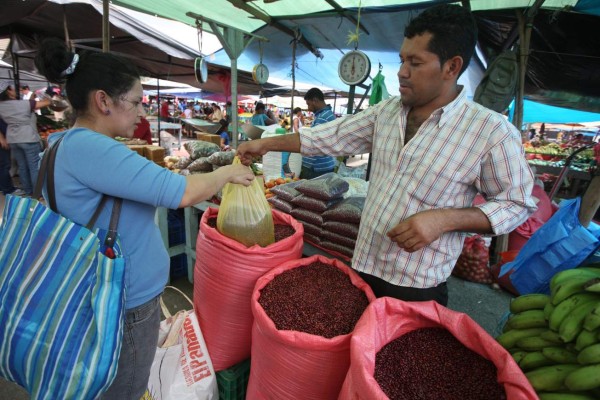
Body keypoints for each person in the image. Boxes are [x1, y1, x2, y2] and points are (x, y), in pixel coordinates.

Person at [237, 4, 536, 306]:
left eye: (415, 63)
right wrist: (264, 144)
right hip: (364, 265)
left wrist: (443, 220)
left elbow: (517, 202)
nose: (402, 72)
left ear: (452, 67)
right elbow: (329, 136)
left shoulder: (490, 131)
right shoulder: (387, 112)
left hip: (417, 286)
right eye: (402, 59)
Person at [34, 37, 254, 400]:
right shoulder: (92, 148)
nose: (140, 112)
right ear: (103, 100)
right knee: (126, 387)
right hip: (124, 300)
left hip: (95, 292)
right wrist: (226, 173)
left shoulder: (60, 144)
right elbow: (179, 192)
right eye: (135, 102)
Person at [0, 80, 53, 196]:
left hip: (13, 139)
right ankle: (38, 192)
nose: (19, 90)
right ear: (8, 91)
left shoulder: (2, 106)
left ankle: (28, 190)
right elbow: (45, 103)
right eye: (16, 88)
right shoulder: (23, 104)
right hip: (27, 137)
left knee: (22, 166)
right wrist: (47, 98)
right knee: (34, 166)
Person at [298, 87, 336, 179]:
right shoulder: (323, 115)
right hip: (319, 166)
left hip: (318, 169)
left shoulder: (324, 117)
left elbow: (314, 142)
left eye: (309, 104)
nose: (308, 108)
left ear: (315, 100)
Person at [0, 118, 18, 195]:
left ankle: (3, 187)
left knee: (3, 165)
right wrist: (1, 139)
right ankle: (8, 189)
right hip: (2, 141)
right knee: (4, 165)